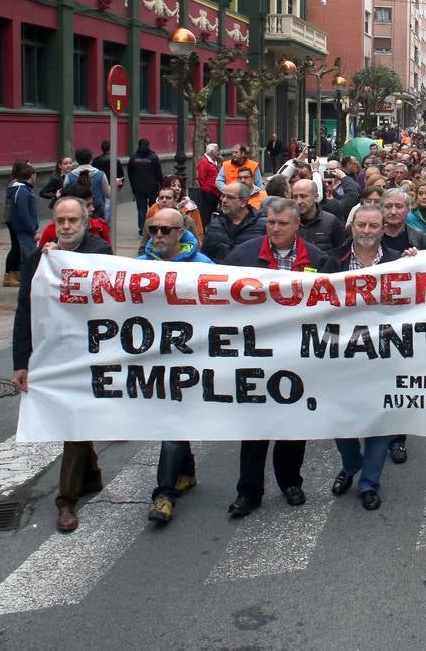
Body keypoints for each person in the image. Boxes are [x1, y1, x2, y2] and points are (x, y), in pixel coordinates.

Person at [12, 196, 113, 532]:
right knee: (75, 418)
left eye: (73, 221)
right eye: (61, 221)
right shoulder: (36, 260)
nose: (67, 227)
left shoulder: (99, 252)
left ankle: (66, 501)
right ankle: (92, 473)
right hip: (55, 351)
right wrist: (21, 361)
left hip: (90, 351)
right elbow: (24, 310)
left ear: (85, 222)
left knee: (75, 420)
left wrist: (60, 263)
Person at [223, 199, 328, 518]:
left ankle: (290, 481)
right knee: (255, 427)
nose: (276, 229)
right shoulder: (243, 256)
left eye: (283, 223)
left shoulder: (319, 260)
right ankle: (248, 491)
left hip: (298, 356)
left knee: (293, 425)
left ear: (297, 225)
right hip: (257, 354)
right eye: (271, 222)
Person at [326, 204, 405, 511]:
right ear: (352, 227)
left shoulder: (401, 262)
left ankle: (369, 482)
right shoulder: (333, 261)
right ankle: (351, 463)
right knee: (340, 418)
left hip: (386, 352)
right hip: (342, 354)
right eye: (362, 225)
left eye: (374, 226)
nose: (367, 231)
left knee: (380, 419)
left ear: (383, 229)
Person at [138, 206, 213, 525]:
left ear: (180, 233)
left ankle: (164, 494)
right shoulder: (137, 266)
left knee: (172, 420)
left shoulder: (203, 266)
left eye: (165, 230)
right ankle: (187, 471)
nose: (157, 236)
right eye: (153, 229)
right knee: (171, 416)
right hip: (152, 358)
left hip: (189, 358)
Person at [202, 179, 267, 261]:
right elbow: (204, 257)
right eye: (223, 196)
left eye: (230, 197)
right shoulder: (215, 225)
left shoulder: (262, 226)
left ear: (243, 202)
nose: (224, 200)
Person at [3, 161, 38, 287]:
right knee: (25, 253)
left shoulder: (21, 189)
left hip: (20, 225)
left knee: (22, 252)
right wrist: (32, 228)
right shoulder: (21, 190)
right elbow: (23, 213)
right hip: (22, 226)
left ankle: (21, 275)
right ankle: (21, 277)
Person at [127, 138, 165, 233]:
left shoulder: (133, 158)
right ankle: (153, 226)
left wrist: (133, 186)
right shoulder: (153, 157)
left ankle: (142, 229)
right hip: (152, 188)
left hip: (138, 188)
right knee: (153, 207)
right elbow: (159, 173)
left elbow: (130, 174)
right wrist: (162, 184)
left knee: (141, 209)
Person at [63, 148, 110, 221]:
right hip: (97, 209)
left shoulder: (69, 176)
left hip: (76, 208)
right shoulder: (101, 174)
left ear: (77, 160)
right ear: (91, 159)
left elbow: (65, 195)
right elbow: (108, 194)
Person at [194, 142, 221, 227]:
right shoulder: (204, 162)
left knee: (213, 211)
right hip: (209, 193)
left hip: (215, 192)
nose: (218, 152)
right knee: (206, 213)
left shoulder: (213, 161)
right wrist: (208, 190)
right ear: (212, 152)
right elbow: (201, 179)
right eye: (217, 150)